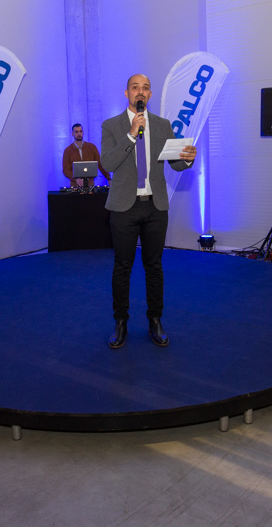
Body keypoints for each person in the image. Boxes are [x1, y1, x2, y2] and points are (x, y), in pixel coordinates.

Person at [101, 74, 196, 349]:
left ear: (150, 95)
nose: (140, 92)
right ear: (127, 93)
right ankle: (120, 322)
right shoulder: (111, 125)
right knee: (122, 267)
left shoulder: (163, 125)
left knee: (154, 266)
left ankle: (155, 320)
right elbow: (108, 163)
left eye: (144, 88)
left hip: (155, 206)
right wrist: (132, 134)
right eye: (135, 88)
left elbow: (176, 163)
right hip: (123, 207)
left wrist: (188, 159)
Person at [62, 123, 110, 187]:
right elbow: (65, 170)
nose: (79, 134)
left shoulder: (92, 147)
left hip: (90, 186)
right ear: (72, 133)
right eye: (76, 132)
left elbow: (100, 165)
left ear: (83, 132)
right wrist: (75, 178)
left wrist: (109, 178)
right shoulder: (68, 150)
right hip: (75, 186)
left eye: (80, 131)